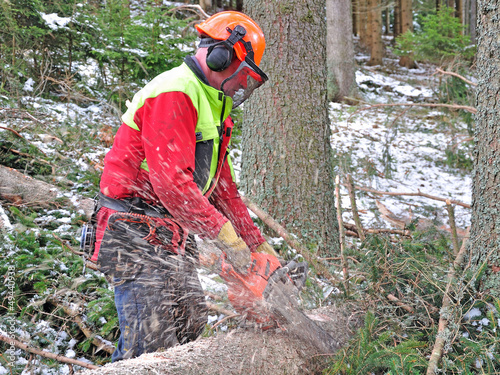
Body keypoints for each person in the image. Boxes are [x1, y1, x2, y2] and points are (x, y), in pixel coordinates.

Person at [89, 11, 279, 362]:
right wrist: (223, 235)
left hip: (167, 230)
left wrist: (256, 243)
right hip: (132, 227)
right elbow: (171, 183)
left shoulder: (214, 103)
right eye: (242, 75)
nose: (241, 85)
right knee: (150, 344)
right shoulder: (175, 92)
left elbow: (224, 190)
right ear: (222, 55)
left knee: (190, 321)